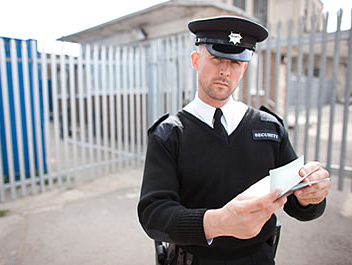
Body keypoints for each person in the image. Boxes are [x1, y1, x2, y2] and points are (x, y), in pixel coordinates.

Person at [137, 16, 331, 265]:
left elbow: (298, 203)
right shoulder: (170, 133)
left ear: (244, 68)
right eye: (216, 59)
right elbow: (153, 213)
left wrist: (310, 197)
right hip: (194, 260)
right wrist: (217, 223)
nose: (225, 71)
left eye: (235, 62)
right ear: (196, 61)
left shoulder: (270, 128)